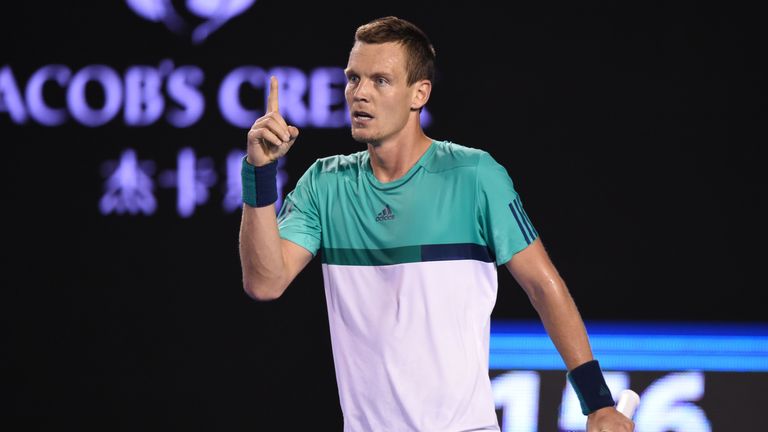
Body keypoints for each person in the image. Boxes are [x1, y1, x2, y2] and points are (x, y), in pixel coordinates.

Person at [238, 16, 633, 432]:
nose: (360, 93)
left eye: (380, 81)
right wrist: (259, 171)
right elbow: (265, 282)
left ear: (419, 93)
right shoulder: (325, 183)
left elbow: (542, 285)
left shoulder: (475, 175)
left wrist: (597, 403)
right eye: (353, 78)